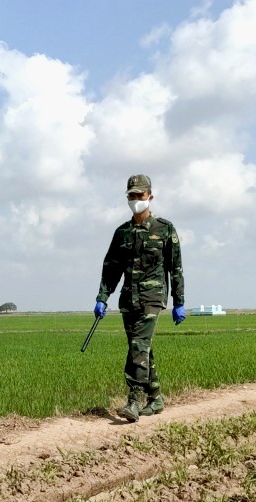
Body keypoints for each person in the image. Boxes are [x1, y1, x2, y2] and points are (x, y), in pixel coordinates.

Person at [95, 174, 185, 422]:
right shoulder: (121, 233)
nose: (135, 200)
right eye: (131, 196)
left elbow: (175, 268)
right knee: (142, 348)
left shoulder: (165, 229)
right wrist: (103, 297)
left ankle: (134, 401)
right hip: (128, 299)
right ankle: (155, 397)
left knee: (138, 347)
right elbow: (110, 267)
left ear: (150, 197)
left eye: (140, 195)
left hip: (152, 297)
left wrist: (179, 302)